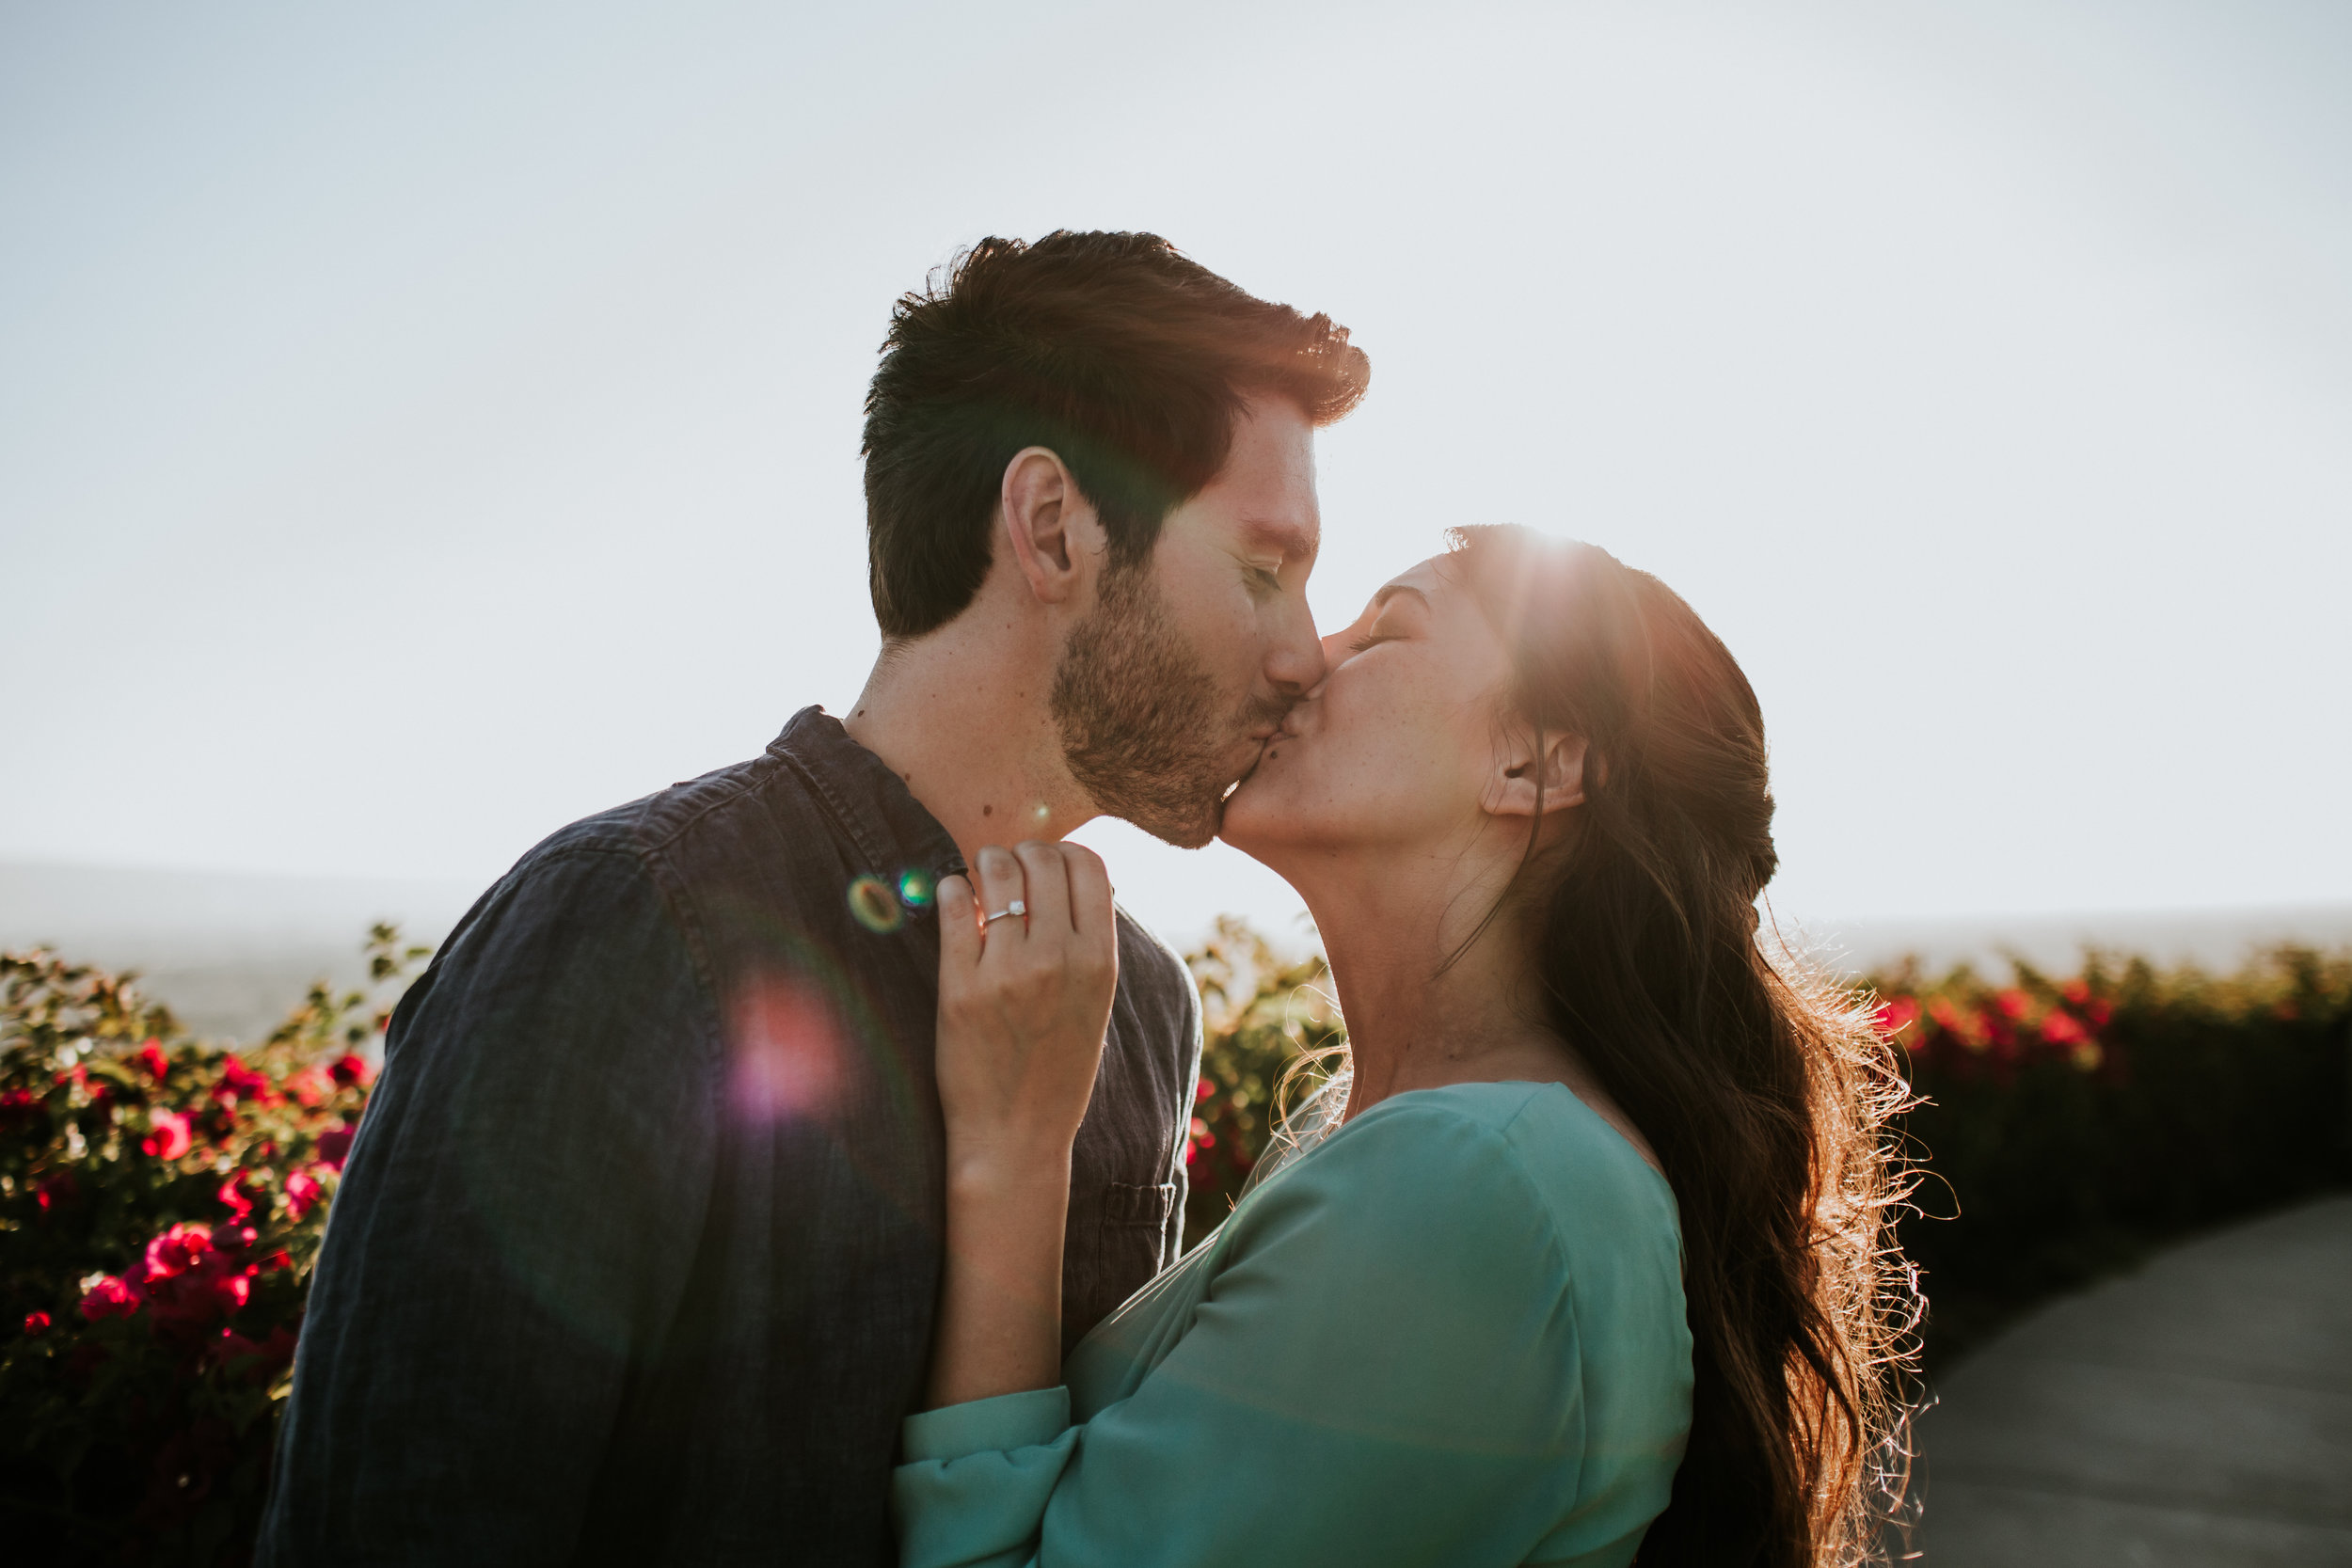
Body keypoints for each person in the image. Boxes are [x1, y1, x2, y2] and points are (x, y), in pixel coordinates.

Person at [255, 232, 1370, 1565]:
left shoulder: (1139, 1006)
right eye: (1264, 568)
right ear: (1054, 527)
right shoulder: (629, 927)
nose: (1308, 653)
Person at [897, 527, 1915, 1567]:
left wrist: (1015, 1149)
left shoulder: (1473, 1181)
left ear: (1532, 762)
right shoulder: (1409, 1136)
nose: (1300, 656)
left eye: (1386, 629)